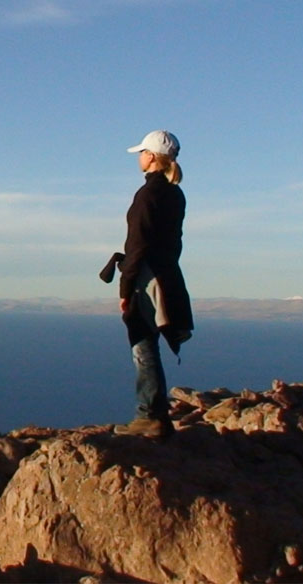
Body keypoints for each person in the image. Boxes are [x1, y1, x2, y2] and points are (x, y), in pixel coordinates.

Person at [111, 130, 194, 439]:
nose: (139, 157)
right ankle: (156, 415)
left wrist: (125, 287)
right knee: (149, 342)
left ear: (151, 157)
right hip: (167, 274)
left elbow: (137, 243)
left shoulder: (147, 194)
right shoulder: (175, 193)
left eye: (142, 153)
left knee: (142, 343)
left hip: (147, 277)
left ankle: (150, 416)